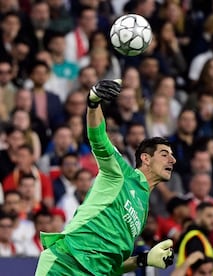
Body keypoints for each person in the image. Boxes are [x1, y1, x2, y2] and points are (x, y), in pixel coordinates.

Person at [35, 79, 175, 275]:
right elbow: (99, 139)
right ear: (146, 158)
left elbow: (110, 266)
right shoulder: (121, 173)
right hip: (66, 264)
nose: (173, 160)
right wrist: (94, 103)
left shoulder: (142, 211)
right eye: (164, 154)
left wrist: (142, 260)